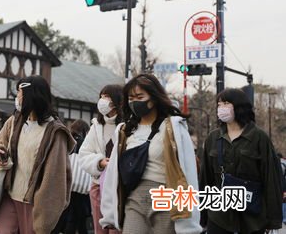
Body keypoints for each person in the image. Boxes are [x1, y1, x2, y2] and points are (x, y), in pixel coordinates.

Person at [100, 74, 201, 234]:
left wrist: (190, 222)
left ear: (153, 98)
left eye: (140, 96)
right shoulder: (125, 131)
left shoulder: (173, 128)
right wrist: (109, 214)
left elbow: (187, 174)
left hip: (165, 197)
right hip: (134, 198)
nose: (134, 102)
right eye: (131, 98)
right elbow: (113, 173)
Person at [0, 75, 75, 234]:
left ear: (32, 95)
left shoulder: (55, 131)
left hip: (34, 202)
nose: (17, 97)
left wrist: (45, 213)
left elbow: (55, 176)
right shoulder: (14, 121)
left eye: (20, 92)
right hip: (10, 194)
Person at [199, 88, 282, 234]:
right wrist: (203, 214)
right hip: (219, 216)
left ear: (239, 107)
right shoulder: (213, 138)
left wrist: (273, 219)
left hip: (252, 218)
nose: (221, 108)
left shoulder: (259, 137)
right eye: (219, 105)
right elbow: (206, 178)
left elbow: (271, 179)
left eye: (226, 103)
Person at [79, 84, 122, 234]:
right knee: (100, 230)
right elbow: (84, 154)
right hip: (98, 186)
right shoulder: (96, 126)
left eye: (107, 97)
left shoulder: (127, 126)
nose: (102, 101)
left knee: (117, 229)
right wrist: (100, 162)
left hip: (119, 188)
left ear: (117, 101)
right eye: (101, 97)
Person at [52, 119, 92, 234]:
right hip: (80, 186)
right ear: (84, 130)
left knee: (65, 215)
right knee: (78, 218)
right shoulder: (85, 142)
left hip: (67, 183)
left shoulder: (67, 140)